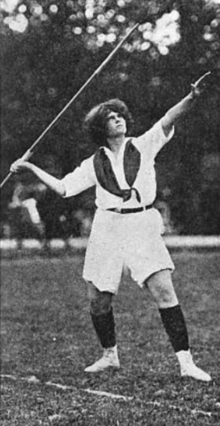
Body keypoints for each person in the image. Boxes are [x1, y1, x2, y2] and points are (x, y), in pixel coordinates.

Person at [10, 76, 212, 382]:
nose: (118, 119)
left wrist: (191, 98)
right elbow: (64, 188)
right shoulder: (93, 163)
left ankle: (186, 363)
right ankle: (109, 356)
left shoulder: (144, 144)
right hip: (107, 225)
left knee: (164, 291)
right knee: (97, 297)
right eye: (110, 118)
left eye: (120, 115)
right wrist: (29, 168)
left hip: (141, 223)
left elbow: (169, 118)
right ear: (100, 129)